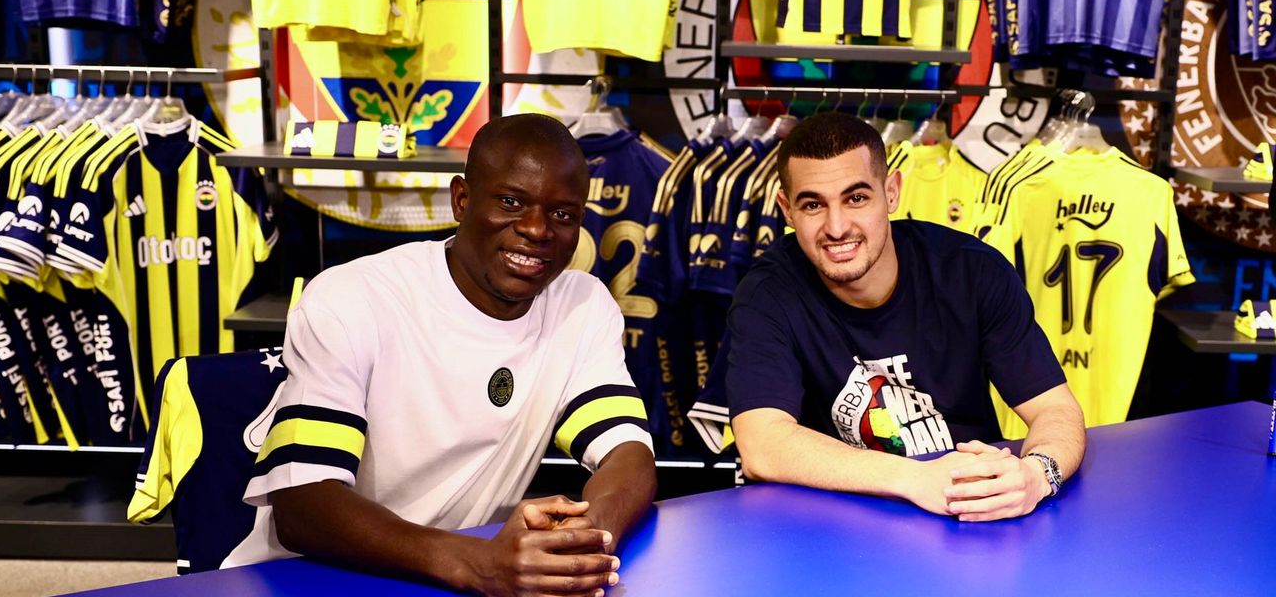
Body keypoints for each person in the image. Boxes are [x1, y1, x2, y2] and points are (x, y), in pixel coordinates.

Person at [223, 114, 658, 594]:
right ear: (462, 199)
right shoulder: (352, 298)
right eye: (511, 202)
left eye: (563, 215)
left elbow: (628, 453)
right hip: (312, 577)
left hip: (455, 576)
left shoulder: (582, 305)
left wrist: (586, 541)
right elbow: (302, 506)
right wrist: (479, 565)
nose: (537, 229)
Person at [726, 113, 1085, 522]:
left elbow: (1054, 408)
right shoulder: (766, 294)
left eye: (856, 198)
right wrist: (914, 478)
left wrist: (1038, 474)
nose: (837, 227)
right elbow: (761, 444)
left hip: (969, 514)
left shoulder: (972, 271)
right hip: (833, 525)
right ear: (787, 210)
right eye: (813, 205)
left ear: (892, 192)